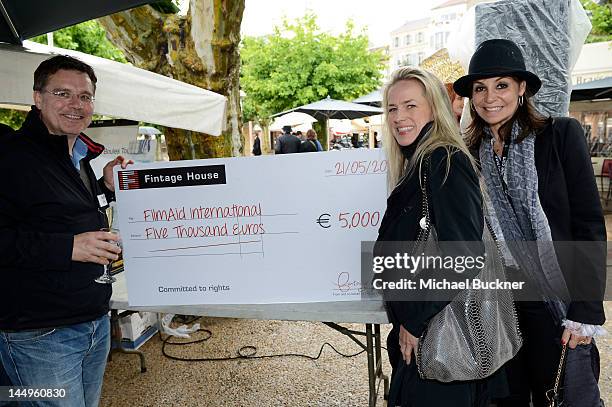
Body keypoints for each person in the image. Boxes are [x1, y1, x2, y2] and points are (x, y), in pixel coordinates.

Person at [453, 38, 606, 407]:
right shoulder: (471, 153)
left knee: (566, 396)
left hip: (556, 302)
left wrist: (584, 313)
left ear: (522, 89)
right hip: (502, 306)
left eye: (501, 85)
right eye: (480, 88)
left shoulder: (561, 136)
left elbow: (588, 225)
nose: (491, 97)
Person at [0, 55, 132, 407]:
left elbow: (56, 211)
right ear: (37, 98)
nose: (77, 104)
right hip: (40, 333)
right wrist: (68, 248)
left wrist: (104, 188)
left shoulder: (76, 154)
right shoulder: (10, 156)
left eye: (85, 96)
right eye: (63, 93)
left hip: (93, 321)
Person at [376, 67, 487, 406]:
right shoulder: (420, 162)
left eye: (410, 106)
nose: (399, 117)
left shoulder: (443, 160)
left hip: (439, 337)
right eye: (393, 109)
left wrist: (414, 319)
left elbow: (465, 255)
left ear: (434, 109)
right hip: (424, 336)